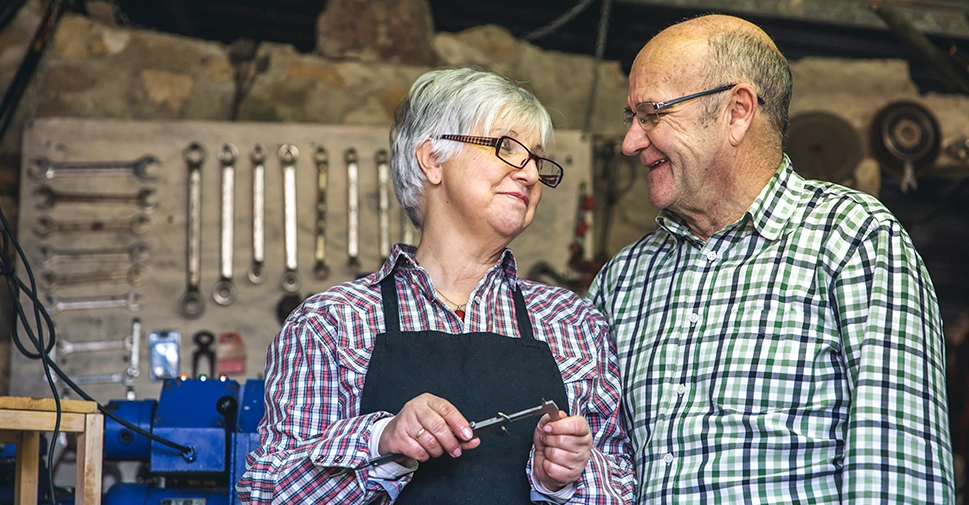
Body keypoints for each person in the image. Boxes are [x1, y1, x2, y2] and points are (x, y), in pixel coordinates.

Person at [587, 13, 955, 504]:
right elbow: (589, 468)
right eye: (631, 118)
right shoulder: (621, 279)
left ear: (737, 111)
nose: (632, 141)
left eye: (652, 113)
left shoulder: (855, 241)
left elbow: (897, 479)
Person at [237, 67, 635, 504]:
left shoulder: (574, 322)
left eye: (537, 160)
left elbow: (622, 488)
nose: (530, 175)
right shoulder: (329, 324)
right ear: (431, 159)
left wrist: (561, 480)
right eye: (507, 148)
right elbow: (267, 492)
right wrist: (381, 443)